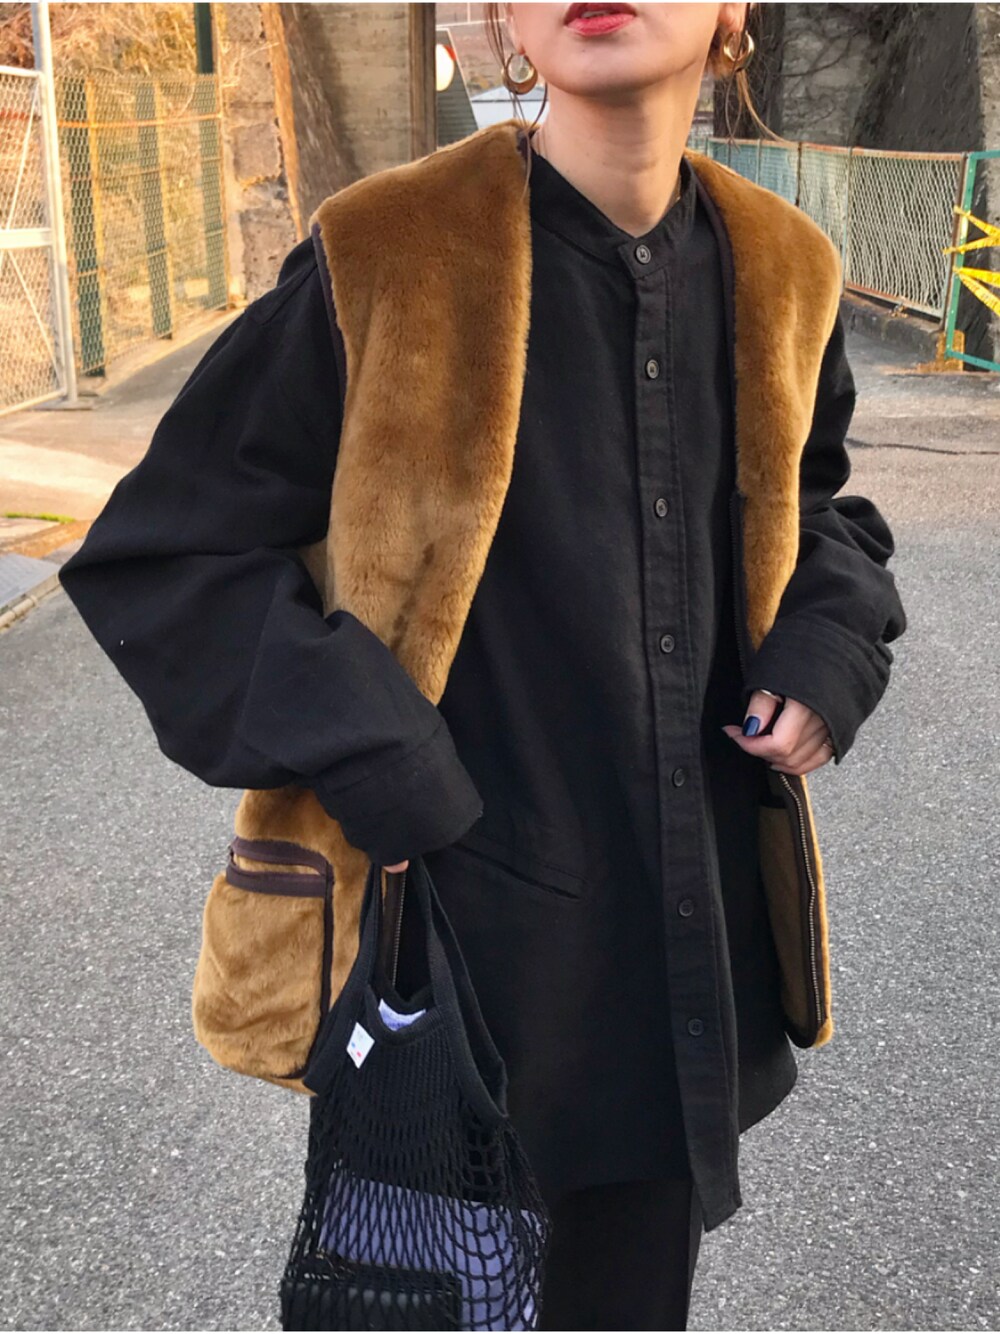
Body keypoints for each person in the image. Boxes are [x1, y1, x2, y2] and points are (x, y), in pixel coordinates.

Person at [59, 3, 907, 1329]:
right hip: (447, 977)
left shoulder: (787, 268)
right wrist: (376, 745)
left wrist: (827, 648)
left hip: (678, 982)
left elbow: (819, 503)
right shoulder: (386, 250)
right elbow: (168, 556)